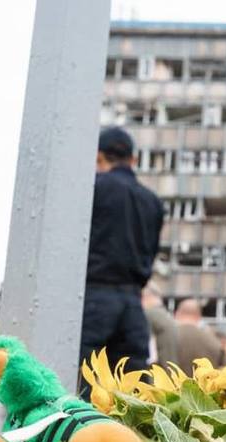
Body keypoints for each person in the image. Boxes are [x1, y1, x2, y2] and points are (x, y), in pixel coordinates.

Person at [79, 127, 164, 386]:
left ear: (99, 157)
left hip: (94, 297)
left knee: (82, 379)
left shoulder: (94, 188)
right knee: (132, 386)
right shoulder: (152, 201)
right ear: (133, 160)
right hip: (132, 304)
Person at [175, 298, 223, 374]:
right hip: (201, 385)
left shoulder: (167, 337)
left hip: (171, 385)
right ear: (199, 316)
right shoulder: (214, 341)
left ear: (177, 314)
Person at [142, 284, 179, 367]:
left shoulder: (148, 315)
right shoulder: (167, 316)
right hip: (171, 371)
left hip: (157, 373)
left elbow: (150, 355)